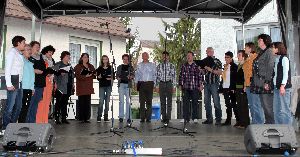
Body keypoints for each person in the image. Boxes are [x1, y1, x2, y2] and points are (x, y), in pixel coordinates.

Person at [251, 34, 275, 124]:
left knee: (267, 106)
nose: (258, 42)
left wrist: (267, 82)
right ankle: (268, 122)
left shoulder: (269, 52)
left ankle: (271, 124)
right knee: (264, 105)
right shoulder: (261, 52)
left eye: (260, 40)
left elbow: (270, 67)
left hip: (265, 82)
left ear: (265, 41)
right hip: (259, 82)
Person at [3, 36, 25, 131]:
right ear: (18, 43)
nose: (24, 44)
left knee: (19, 106)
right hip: (13, 81)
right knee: (10, 107)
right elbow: (7, 69)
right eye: (23, 42)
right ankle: (5, 128)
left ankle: (12, 126)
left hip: (19, 82)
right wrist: (8, 84)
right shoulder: (11, 53)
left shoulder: (18, 53)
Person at [178, 51, 204, 123]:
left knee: (195, 103)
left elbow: (201, 76)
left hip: (195, 87)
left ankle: (195, 118)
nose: (188, 57)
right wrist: (180, 85)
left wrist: (201, 85)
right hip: (186, 88)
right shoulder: (184, 66)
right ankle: (185, 118)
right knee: (185, 103)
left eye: (189, 55)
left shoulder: (196, 66)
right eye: (187, 56)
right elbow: (181, 76)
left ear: (193, 57)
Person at [271, 42, 293, 124]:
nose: (272, 49)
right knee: (277, 110)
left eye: (273, 47)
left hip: (283, 88)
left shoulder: (284, 59)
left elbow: (286, 74)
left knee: (284, 110)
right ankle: (279, 129)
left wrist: (283, 86)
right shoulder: (277, 59)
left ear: (277, 48)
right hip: (277, 88)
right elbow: (276, 74)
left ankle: (288, 130)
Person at [243, 42, 265, 124]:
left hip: (255, 84)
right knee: (251, 105)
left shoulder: (256, 57)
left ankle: (260, 123)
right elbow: (246, 74)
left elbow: (257, 72)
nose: (245, 49)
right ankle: (255, 122)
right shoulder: (248, 59)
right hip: (248, 85)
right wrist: (245, 85)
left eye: (246, 47)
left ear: (250, 48)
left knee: (256, 105)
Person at [202, 47, 223, 125]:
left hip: (214, 83)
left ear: (212, 52)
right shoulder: (204, 61)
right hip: (206, 84)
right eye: (206, 52)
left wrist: (211, 70)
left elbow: (220, 72)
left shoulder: (217, 61)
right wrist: (202, 70)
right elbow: (204, 73)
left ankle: (218, 119)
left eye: (208, 52)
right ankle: (209, 119)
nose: (207, 53)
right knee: (206, 102)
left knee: (216, 102)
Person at [52, 51, 75, 124]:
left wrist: (73, 83)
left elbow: (72, 75)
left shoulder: (70, 65)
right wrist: (59, 74)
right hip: (60, 86)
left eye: (69, 56)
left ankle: (64, 118)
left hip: (68, 86)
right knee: (58, 103)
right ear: (63, 57)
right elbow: (53, 74)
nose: (69, 58)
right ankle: (57, 119)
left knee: (65, 103)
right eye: (67, 56)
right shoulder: (58, 64)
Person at [26, 41, 46, 123]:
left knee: (35, 104)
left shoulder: (41, 57)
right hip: (32, 83)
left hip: (41, 83)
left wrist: (46, 72)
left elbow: (44, 69)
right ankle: (26, 123)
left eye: (39, 47)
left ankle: (32, 122)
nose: (38, 48)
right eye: (36, 46)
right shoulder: (28, 57)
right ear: (31, 47)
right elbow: (26, 69)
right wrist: (34, 70)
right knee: (29, 104)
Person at [36, 45, 56, 123]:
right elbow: (41, 70)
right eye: (50, 52)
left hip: (50, 82)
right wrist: (46, 73)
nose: (51, 54)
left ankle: (44, 120)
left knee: (47, 102)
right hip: (43, 81)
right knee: (41, 101)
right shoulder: (41, 58)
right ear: (45, 52)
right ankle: (39, 120)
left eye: (52, 52)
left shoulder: (52, 60)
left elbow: (53, 70)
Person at [134, 52, 156, 123]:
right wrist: (135, 83)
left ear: (148, 56)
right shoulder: (139, 65)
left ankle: (149, 118)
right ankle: (142, 118)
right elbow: (137, 75)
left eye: (146, 55)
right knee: (142, 102)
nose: (145, 56)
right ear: (142, 57)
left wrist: (155, 85)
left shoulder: (152, 65)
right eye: (143, 55)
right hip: (141, 84)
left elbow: (154, 75)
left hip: (150, 83)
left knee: (149, 101)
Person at [156, 51, 176, 124]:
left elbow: (174, 77)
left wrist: (174, 86)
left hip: (169, 83)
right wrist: (157, 86)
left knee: (169, 101)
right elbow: (157, 77)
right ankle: (163, 117)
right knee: (162, 101)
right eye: (163, 56)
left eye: (165, 56)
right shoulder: (159, 66)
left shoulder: (172, 66)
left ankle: (168, 118)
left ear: (168, 57)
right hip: (161, 83)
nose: (164, 57)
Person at [74, 53, 95, 123]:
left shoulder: (90, 66)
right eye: (84, 57)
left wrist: (93, 74)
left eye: (87, 57)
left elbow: (94, 74)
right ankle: (81, 118)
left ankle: (87, 118)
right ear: (81, 58)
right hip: (81, 87)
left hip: (88, 87)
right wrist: (85, 76)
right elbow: (77, 75)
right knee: (81, 102)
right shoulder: (78, 66)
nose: (86, 58)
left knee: (87, 103)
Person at [220, 51, 238, 126]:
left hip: (232, 88)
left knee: (234, 104)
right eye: (225, 57)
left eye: (227, 57)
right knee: (228, 105)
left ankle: (238, 120)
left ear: (231, 58)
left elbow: (235, 78)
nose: (226, 59)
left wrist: (234, 88)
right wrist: (221, 87)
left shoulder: (235, 66)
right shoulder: (225, 66)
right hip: (225, 88)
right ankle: (228, 120)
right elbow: (224, 78)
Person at [18, 44, 35, 123]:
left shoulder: (30, 63)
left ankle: (22, 124)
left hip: (28, 88)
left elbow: (32, 77)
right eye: (28, 49)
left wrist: (32, 88)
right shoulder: (20, 60)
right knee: (20, 108)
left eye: (30, 49)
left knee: (25, 108)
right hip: (22, 88)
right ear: (22, 51)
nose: (30, 51)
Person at [116, 54, 134, 123]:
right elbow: (117, 75)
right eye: (124, 59)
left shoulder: (131, 67)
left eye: (127, 59)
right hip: (121, 85)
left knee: (128, 101)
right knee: (121, 101)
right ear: (122, 59)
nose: (125, 60)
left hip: (128, 85)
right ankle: (121, 117)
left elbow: (133, 75)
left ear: (128, 60)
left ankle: (128, 117)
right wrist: (118, 77)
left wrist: (131, 77)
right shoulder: (119, 67)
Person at [96, 55, 113, 122]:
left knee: (107, 102)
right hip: (102, 86)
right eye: (103, 59)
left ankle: (106, 116)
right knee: (101, 101)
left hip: (109, 86)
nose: (105, 60)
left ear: (108, 60)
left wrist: (111, 78)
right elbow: (98, 77)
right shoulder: (99, 68)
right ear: (102, 60)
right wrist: (99, 77)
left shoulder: (110, 67)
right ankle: (99, 116)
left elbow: (113, 77)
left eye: (106, 59)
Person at [235, 50, 250, 128]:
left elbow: (246, 77)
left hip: (243, 88)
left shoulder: (245, 64)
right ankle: (241, 122)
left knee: (244, 105)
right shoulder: (239, 65)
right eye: (238, 55)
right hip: (237, 88)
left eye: (239, 55)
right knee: (239, 105)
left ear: (243, 56)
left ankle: (246, 123)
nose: (238, 56)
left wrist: (245, 86)